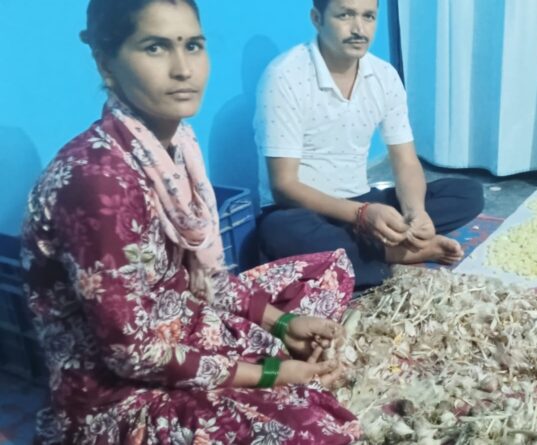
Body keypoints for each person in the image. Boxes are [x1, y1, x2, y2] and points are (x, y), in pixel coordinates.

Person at [21, 0, 361, 443]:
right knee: (315, 431)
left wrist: (283, 323)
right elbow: (133, 355)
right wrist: (271, 373)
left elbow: (205, 277)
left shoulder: (175, 145)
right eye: (155, 47)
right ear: (106, 64)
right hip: (121, 391)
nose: (184, 69)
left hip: (183, 320)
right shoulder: (98, 183)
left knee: (329, 269)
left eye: (193, 46)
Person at [254, 0, 485, 289]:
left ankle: (366, 253)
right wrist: (362, 215)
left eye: (368, 16)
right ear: (316, 18)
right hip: (301, 209)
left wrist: (415, 212)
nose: (359, 29)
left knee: (467, 193)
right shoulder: (285, 76)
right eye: (345, 15)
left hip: (361, 200)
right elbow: (284, 186)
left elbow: (406, 161)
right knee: (279, 232)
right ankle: (396, 253)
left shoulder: (383, 75)